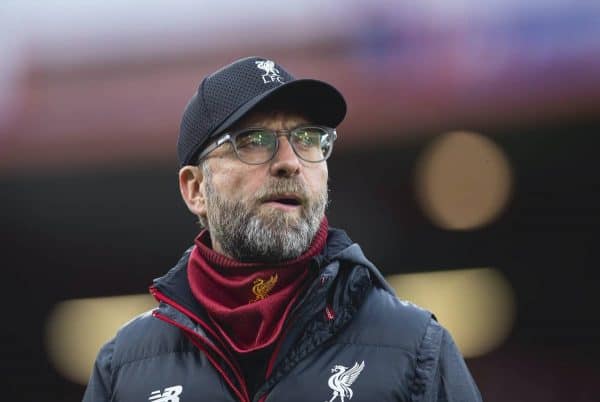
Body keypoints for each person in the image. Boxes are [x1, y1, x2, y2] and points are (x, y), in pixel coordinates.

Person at [83, 56, 482, 402]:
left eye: (308, 139)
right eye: (253, 140)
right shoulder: (124, 368)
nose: (290, 162)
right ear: (196, 189)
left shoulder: (414, 347)